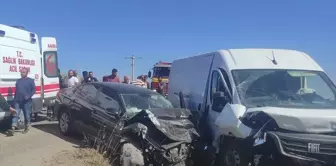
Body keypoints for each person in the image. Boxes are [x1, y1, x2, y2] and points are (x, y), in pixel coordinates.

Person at [11, 68, 36, 134]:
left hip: (26, 101)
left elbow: (33, 91)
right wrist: (15, 99)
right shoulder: (18, 81)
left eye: (23, 72)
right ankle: (13, 127)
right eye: (21, 72)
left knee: (26, 115)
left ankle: (27, 127)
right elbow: (17, 91)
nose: (22, 73)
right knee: (15, 113)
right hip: (17, 101)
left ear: (27, 73)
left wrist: (28, 96)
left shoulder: (30, 81)